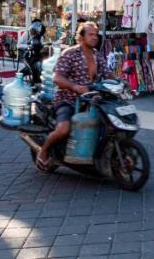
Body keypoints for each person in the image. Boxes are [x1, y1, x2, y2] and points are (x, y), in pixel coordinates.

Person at [38, 22, 106, 172]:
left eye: (96, 34)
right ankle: (43, 151)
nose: (95, 37)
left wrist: (121, 82)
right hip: (67, 99)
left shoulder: (97, 55)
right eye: (91, 34)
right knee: (63, 129)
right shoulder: (69, 54)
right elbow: (57, 78)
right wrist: (75, 87)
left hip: (91, 100)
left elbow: (108, 75)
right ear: (81, 37)